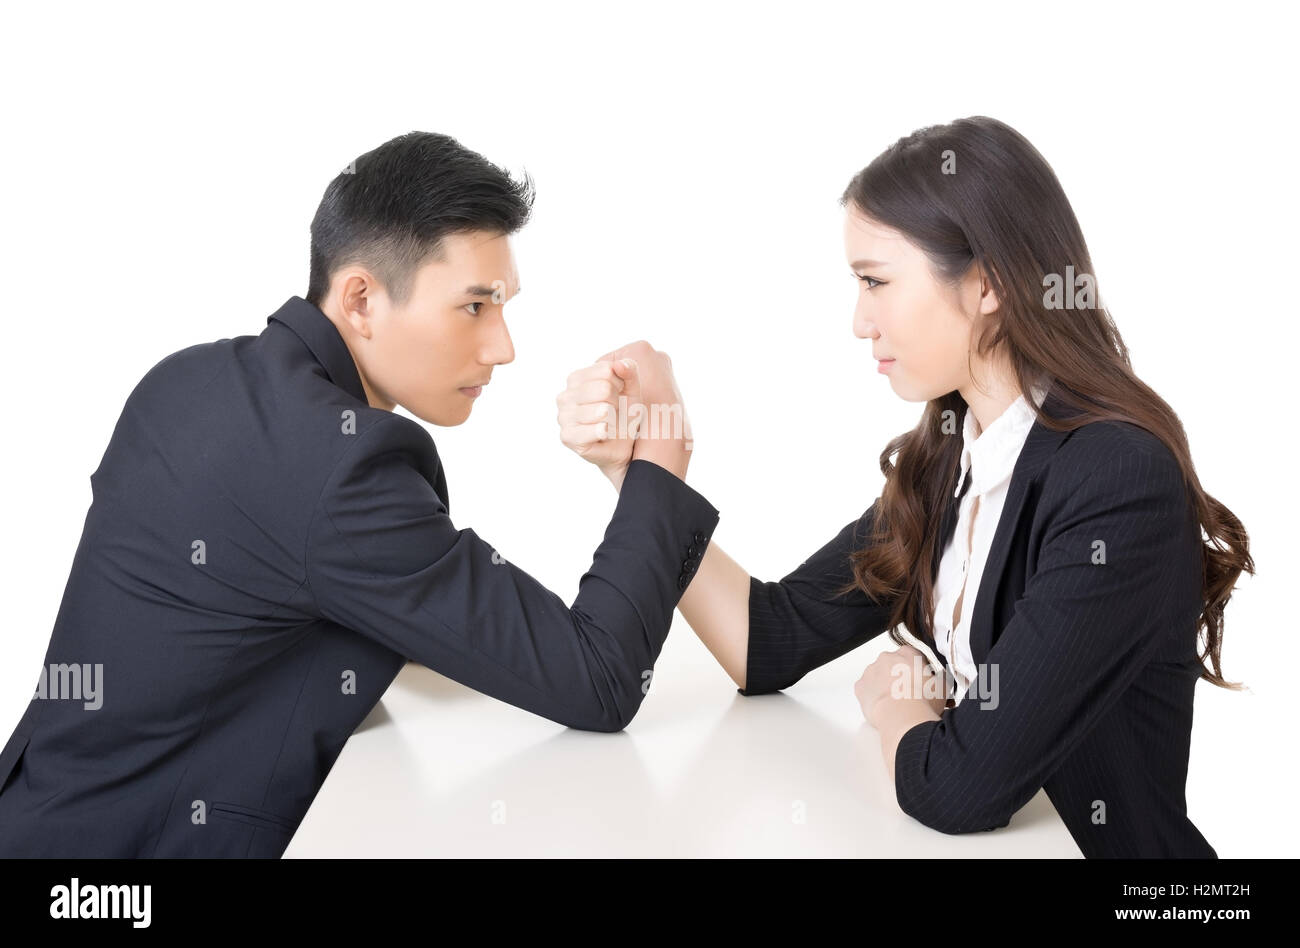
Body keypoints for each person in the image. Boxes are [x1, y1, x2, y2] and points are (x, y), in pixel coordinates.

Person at [0, 131, 716, 857]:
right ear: (361, 300)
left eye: (504, 306)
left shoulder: (182, 380)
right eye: (474, 307)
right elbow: (599, 680)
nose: (503, 347)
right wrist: (660, 455)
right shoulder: (342, 470)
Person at [564, 116, 1250, 858]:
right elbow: (767, 639)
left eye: (876, 281)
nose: (861, 320)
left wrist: (899, 706)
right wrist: (642, 477)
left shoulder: (1117, 480)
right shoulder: (952, 455)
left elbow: (962, 790)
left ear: (987, 282)